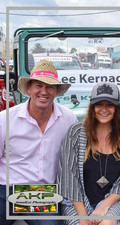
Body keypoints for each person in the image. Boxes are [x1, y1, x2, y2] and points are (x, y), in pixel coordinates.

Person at [0, 60, 78, 225]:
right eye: (38, 86)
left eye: (49, 87)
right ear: (29, 89)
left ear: (56, 91)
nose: (44, 91)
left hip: (41, 193)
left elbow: (74, 162)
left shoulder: (69, 118)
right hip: (5, 189)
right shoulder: (5, 118)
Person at [57, 82, 120, 225]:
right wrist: (84, 218)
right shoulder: (75, 133)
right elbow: (69, 177)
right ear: (92, 107)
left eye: (110, 105)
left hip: (111, 202)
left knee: (107, 223)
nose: (104, 109)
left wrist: (104, 206)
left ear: (117, 108)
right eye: (99, 104)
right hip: (77, 203)